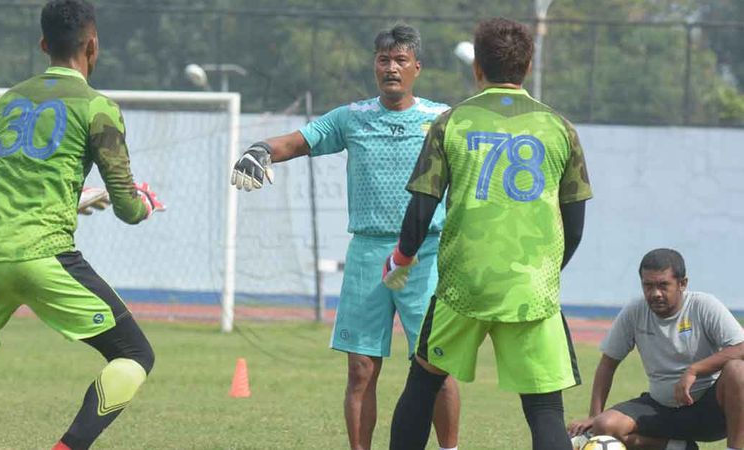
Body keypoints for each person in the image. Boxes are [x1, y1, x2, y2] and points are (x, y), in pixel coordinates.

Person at [0, 2, 164, 449]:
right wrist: (145, 204)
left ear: (43, 45)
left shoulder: (8, 101)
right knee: (135, 355)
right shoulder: (99, 108)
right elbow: (125, 206)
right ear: (93, 44)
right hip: (44, 256)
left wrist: (65, 200)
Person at [230, 24, 460, 450]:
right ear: (375, 65)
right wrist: (261, 149)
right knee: (359, 370)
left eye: (400, 61)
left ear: (417, 68)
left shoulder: (442, 120)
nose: (391, 68)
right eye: (384, 60)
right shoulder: (352, 118)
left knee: (436, 365)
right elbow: (300, 142)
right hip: (369, 255)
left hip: (427, 254)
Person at [384, 17, 592, 450]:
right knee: (545, 408)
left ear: (477, 66)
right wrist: (550, 268)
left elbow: (422, 206)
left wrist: (402, 258)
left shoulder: (450, 123)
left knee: (423, 382)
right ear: (528, 65)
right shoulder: (559, 128)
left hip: (465, 283)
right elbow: (575, 221)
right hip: (532, 287)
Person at [568, 249, 744, 450]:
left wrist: (694, 370)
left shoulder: (703, 306)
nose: (655, 293)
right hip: (661, 408)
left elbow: (742, 348)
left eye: (663, 285)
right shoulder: (635, 311)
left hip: (711, 411)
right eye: (648, 285)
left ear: (682, 284)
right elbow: (607, 364)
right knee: (604, 426)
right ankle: (677, 447)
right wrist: (594, 415)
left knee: (738, 369)